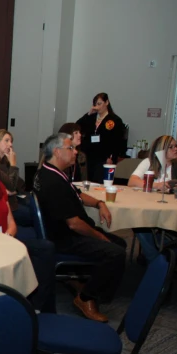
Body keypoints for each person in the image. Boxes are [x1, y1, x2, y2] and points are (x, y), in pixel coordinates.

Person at [33, 133, 127, 323]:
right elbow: (74, 224)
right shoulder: (52, 182)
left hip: (63, 232)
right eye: (71, 148)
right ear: (58, 152)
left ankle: (83, 281)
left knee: (120, 243)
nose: (76, 151)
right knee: (116, 252)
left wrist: (100, 203)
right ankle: (86, 298)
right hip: (65, 238)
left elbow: (78, 195)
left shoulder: (52, 172)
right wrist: (99, 237)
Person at [127, 135, 177, 262]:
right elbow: (132, 181)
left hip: (175, 213)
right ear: (161, 149)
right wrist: (156, 185)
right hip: (150, 210)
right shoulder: (149, 162)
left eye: (176, 146)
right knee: (137, 222)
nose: (175, 149)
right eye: (170, 147)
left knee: (147, 228)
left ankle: (157, 260)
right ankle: (157, 260)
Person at [76, 92, 127, 182]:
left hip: (104, 157)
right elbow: (77, 125)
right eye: (95, 104)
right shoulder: (91, 118)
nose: (97, 107)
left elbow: (118, 141)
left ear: (106, 102)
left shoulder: (114, 120)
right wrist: (88, 114)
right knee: (86, 179)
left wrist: (111, 157)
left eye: (99, 104)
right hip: (89, 155)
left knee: (99, 180)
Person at [0, 129, 29, 227]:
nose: (10, 144)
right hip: (6, 206)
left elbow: (20, 183)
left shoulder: (4, 161)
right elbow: (12, 186)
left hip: (13, 201)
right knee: (34, 215)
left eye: (11, 141)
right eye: (6, 141)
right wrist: (13, 165)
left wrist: (12, 190)